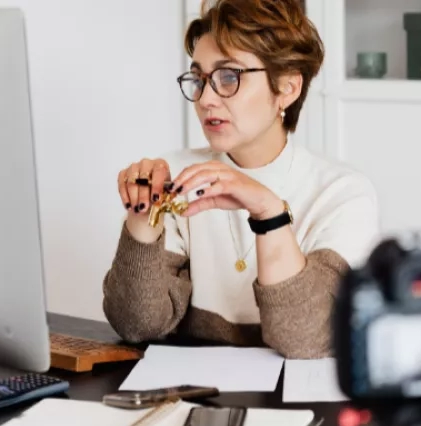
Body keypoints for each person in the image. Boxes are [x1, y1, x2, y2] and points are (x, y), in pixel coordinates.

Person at [102, 0, 380, 359]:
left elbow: (307, 338)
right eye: (199, 79)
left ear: (287, 88)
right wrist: (142, 218)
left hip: (298, 408)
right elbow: (137, 325)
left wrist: (269, 213)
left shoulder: (343, 194)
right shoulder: (175, 178)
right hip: (195, 399)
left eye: (229, 77)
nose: (206, 99)